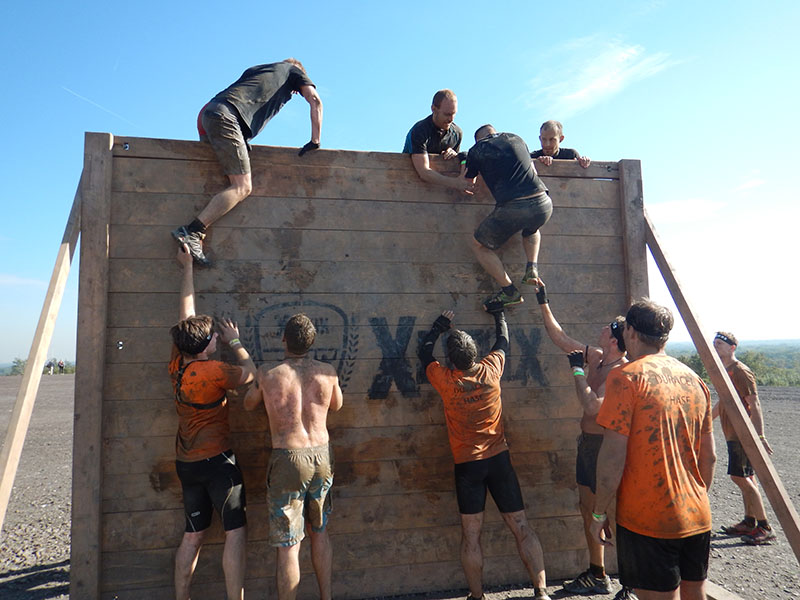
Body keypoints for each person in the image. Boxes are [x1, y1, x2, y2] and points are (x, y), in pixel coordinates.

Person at [418, 303, 551, 600]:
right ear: (476, 354)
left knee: (471, 535)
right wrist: (498, 313)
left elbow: (424, 353)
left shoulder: (446, 380)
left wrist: (438, 327)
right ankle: (542, 592)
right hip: (499, 460)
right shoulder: (491, 370)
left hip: (468, 467)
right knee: (521, 527)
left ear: (451, 361)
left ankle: (477, 597)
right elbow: (503, 340)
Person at [590, 299, 716, 600]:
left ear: (631, 333)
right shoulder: (695, 380)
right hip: (696, 515)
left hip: (649, 518)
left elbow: (612, 459)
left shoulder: (626, 378)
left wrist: (598, 514)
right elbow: (709, 457)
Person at [535, 282, 635, 600]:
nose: (602, 328)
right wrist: (542, 300)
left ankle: (631, 584)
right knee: (587, 508)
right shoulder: (598, 357)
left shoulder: (620, 372)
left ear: (615, 340)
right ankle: (597, 574)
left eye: (608, 328)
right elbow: (560, 338)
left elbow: (593, 407)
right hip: (587, 446)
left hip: (606, 449)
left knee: (614, 516)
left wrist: (578, 372)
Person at [173, 59, 323, 266]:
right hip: (226, 118)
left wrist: (241, 140)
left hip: (208, 113)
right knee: (242, 187)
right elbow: (315, 100)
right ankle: (192, 232)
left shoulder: (258, 70)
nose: (293, 93)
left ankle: (195, 236)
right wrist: (315, 141)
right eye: (295, 91)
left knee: (219, 177)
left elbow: (244, 98)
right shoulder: (293, 70)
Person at [170, 244, 257, 600]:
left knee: (193, 534)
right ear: (206, 345)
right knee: (235, 532)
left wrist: (187, 268)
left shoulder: (178, 362)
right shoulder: (216, 371)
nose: (217, 337)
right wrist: (235, 342)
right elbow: (251, 374)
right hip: (219, 463)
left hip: (187, 464)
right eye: (214, 338)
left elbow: (186, 318)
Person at [244, 314, 343, 600]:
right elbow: (337, 404)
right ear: (311, 342)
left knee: (289, 545)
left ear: (284, 339)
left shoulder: (268, 373)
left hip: (288, 457)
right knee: (319, 531)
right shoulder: (328, 371)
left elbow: (248, 404)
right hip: (321, 455)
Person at [463, 124, 553, 309]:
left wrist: (465, 160)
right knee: (532, 229)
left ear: (479, 140)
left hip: (513, 207)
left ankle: (509, 291)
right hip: (543, 202)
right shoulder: (516, 138)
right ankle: (532, 268)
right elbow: (532, 169)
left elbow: (468, 182)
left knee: (478, 245)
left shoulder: (477, 150)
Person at [712, 331, 776, 545]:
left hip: (742, 434)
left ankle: (764, 527)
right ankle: (749, 522)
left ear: (732, 347)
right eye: (714, 344)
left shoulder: (740, 371)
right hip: (732, 432)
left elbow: (754, 404)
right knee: (746, 478)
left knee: (740, 477)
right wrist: (705, 421)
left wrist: (759, 436)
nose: (715, 347)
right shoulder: (724, 370)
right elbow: (723, 401)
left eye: (719, 344)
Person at [403, 89, 474, 193]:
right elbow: (423, 172)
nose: (451, 119)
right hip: (408, 186)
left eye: (453, 114)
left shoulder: (457, 133)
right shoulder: (420, 131)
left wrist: (455, 156)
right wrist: (456, 183)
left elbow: (455, 167)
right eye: (447, 114)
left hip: (440, 193)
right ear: (433, 109)